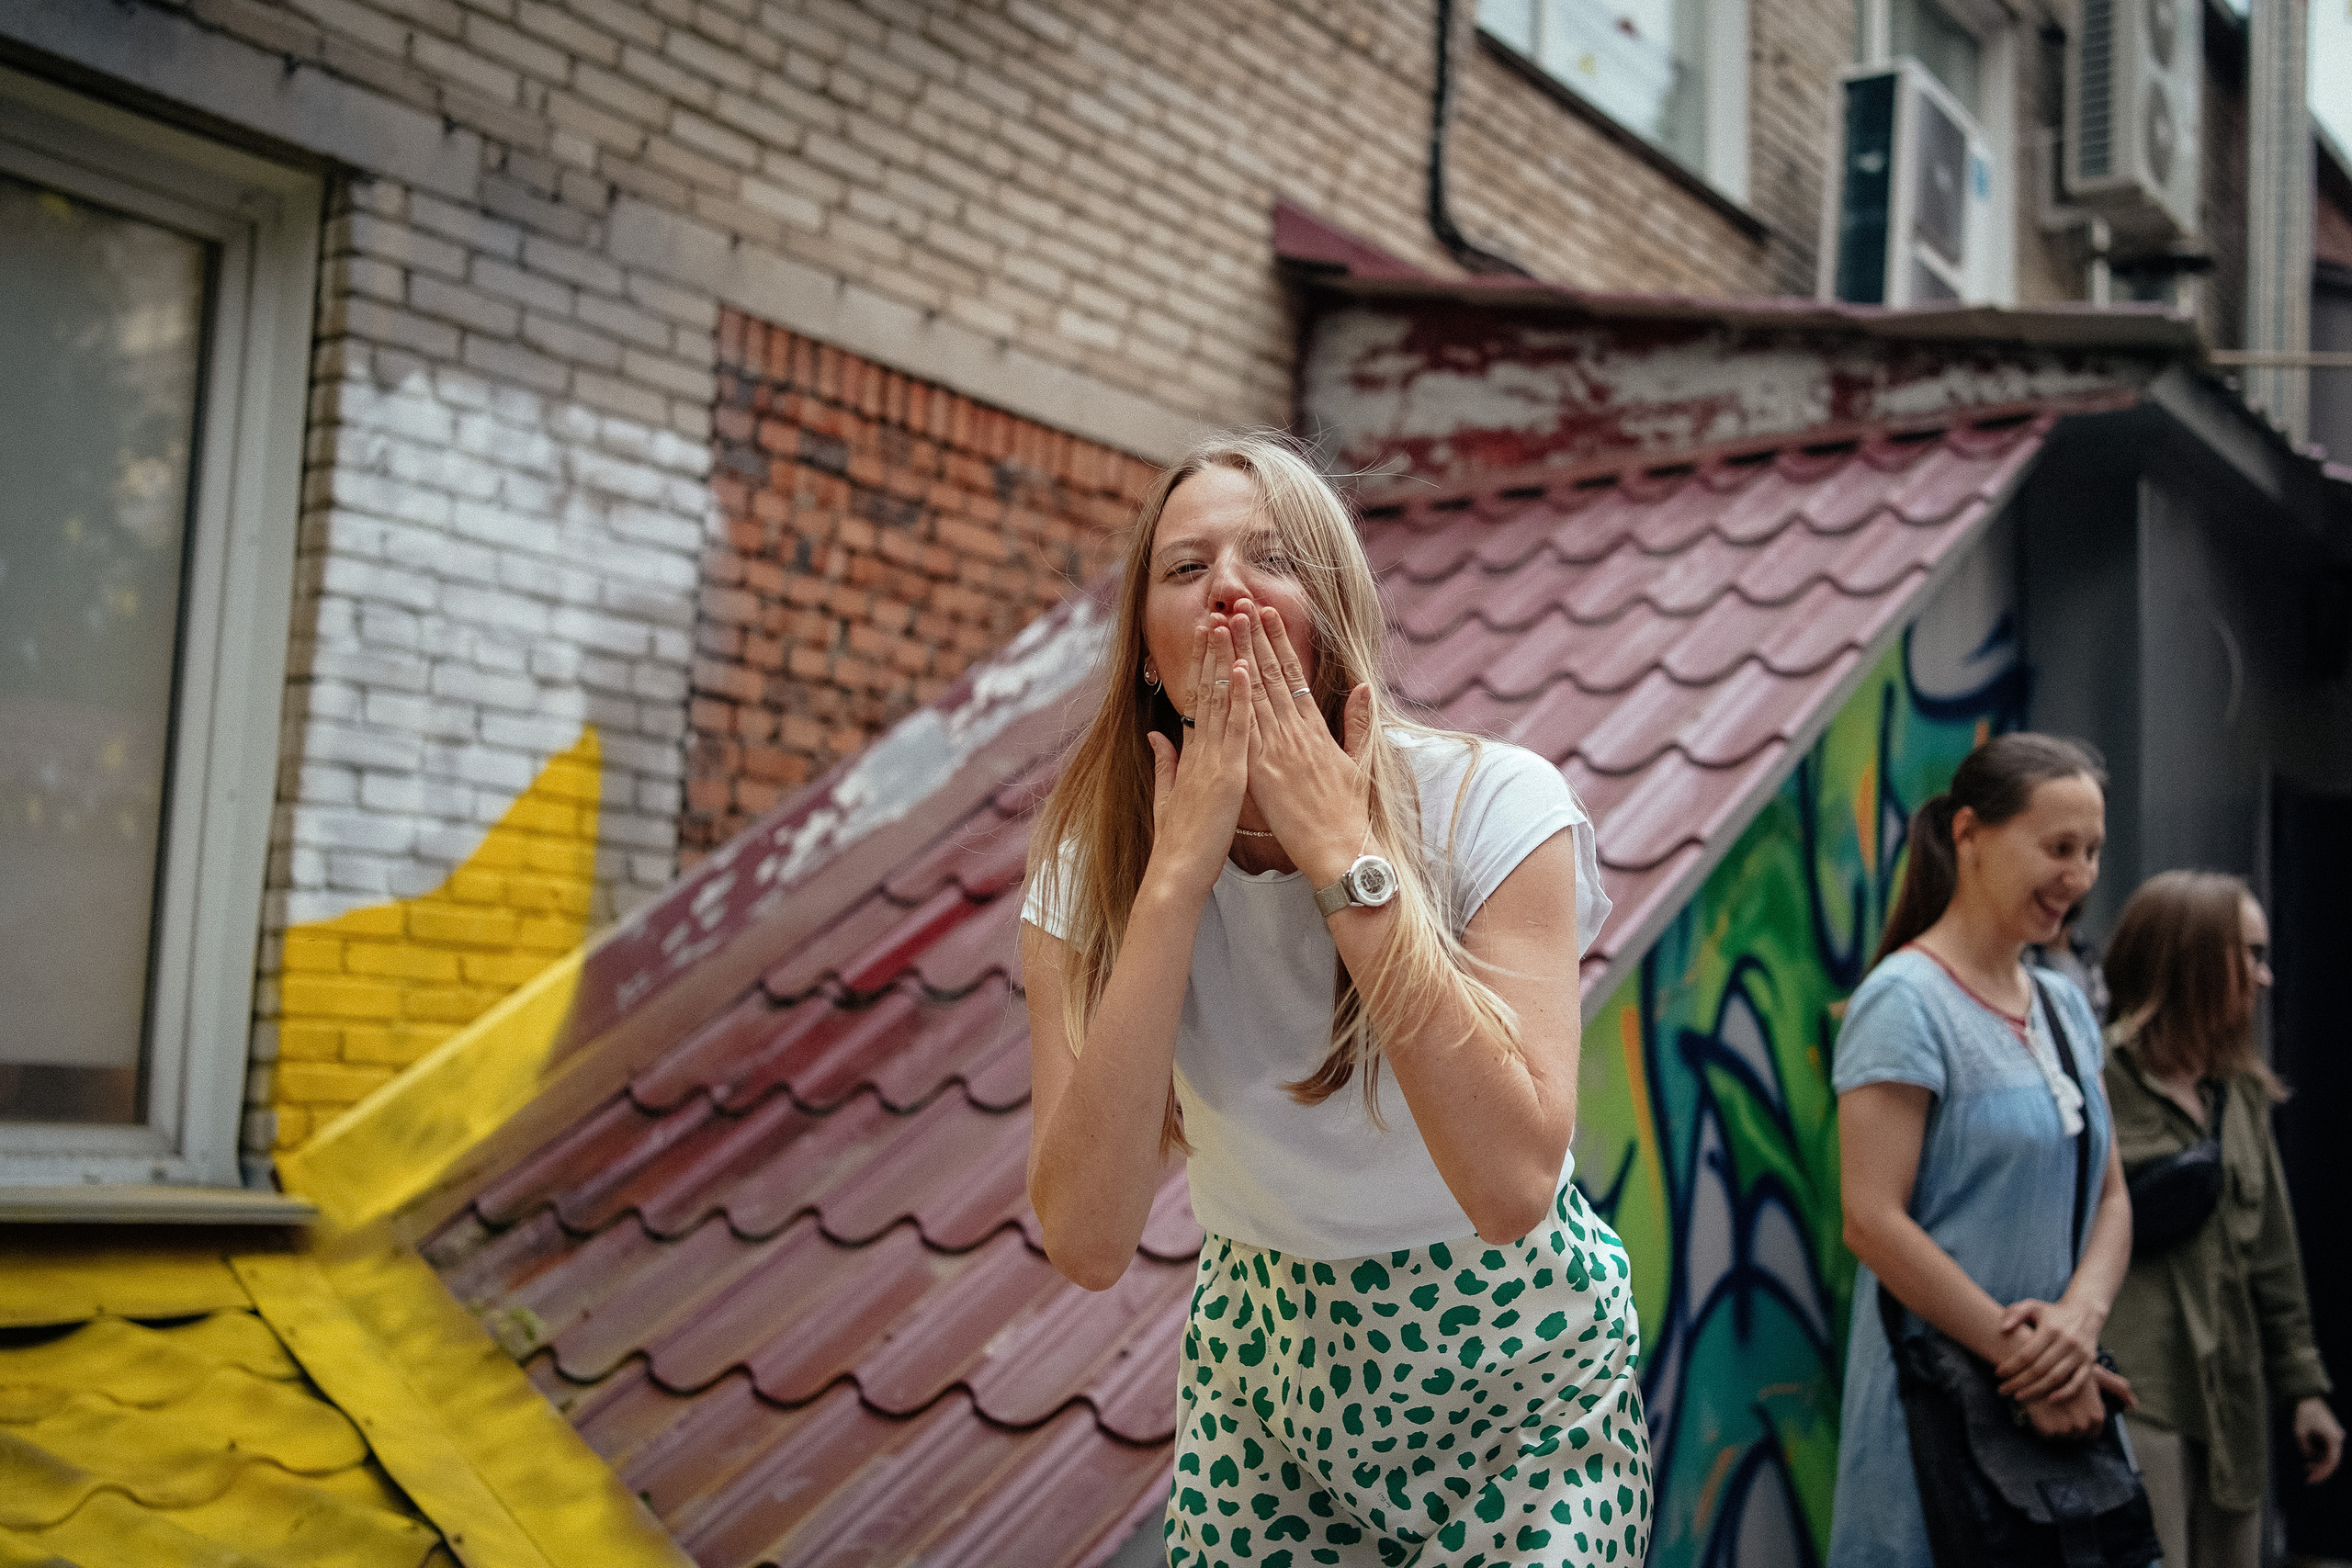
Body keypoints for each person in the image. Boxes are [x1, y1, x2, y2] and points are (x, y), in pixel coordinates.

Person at [1020, 432, 1650, 1568]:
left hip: (1523, 1383)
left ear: (1333, 617)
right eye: (1184, 567)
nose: (1226, 586)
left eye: (1271, 558)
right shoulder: (1090, 864)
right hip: (1268, 1389)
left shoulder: (1490, 805)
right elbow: (1087, 1238)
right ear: (1148, 662)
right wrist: (1171, 884)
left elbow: (1511, 1186)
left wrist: (1341, 854)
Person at [1827, 734, 2138, 1566]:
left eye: (2094, 850)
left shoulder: (2066, 1005)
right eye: (2058, 846)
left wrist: (2077, 1327)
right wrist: (2031, 1362)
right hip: (1942, 1412)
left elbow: (2112, 1195)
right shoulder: (1904, 1000)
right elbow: (1871, 1219)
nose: (2080, 874)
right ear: (1969, 833)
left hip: (2058, 1404)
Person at [2099, 871, 2342, 1568]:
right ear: (2195, 958)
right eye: (2251, 954)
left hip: (2230, 1392)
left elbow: (2273, 1252)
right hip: (2137, 1386)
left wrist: (2305, 1390)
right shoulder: (2095, 1075)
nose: (2265, 977)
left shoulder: (2239, 1091)